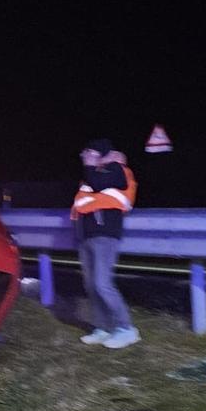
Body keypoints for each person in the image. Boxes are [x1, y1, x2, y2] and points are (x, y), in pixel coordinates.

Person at [71, 139, 139, 349]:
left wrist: (92, 164)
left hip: (105, 234)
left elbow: (100, 186)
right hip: (87, 236)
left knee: (102, 283)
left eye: (88, 151)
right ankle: (102, 328)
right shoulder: (92, 175)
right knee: (91, 285)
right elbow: (82, 203)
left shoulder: (117, 170)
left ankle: (126, 329)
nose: (84, 155)